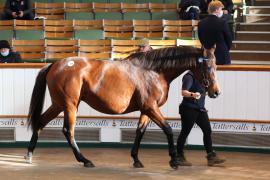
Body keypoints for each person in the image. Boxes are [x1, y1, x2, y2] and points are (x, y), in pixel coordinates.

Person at [177, 71, 226, 166]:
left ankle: (211, 157)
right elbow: (183, 92)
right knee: (185, 133)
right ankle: (179, 157)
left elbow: (207, 91)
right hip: (188, 109)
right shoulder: (189, 77)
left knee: (207, 131)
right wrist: (193, 95)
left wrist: (214, 93)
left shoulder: (203, 77)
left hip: (200, 109)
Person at [198, 0, 232, 65]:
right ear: (216, 10)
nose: (221, 11)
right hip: (222, 55)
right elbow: (229, 39)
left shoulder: (201, 23)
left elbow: (201, 39)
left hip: (207, 55)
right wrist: (225, 49)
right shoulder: (222, 22)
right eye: (220, 9)